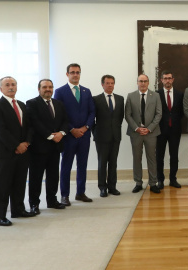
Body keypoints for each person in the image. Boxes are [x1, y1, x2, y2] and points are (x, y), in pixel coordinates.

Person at [0, 76, 35, 226]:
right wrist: (16, 145)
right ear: (0, 88)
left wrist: (26, 143)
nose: (11, 87)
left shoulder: (21, 104)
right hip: (5, 152)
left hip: (23, 151)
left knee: (19, 182)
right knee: (2, 185)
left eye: (13, 84)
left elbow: (28, 126)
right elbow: (0, 130)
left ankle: (18, 210)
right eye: (7, 85)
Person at [54, 63, 96, 206]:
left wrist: (85, 128)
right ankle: (64, 195)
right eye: (72, 72)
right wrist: (72, 129)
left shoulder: (86, 91)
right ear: (67, 74)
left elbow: (92, 112)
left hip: (84, 135)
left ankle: (80, 193)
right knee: (66, 166)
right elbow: (59, 114)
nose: (75, 75)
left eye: (78, 72)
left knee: (82, 165)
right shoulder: (60, 92)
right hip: (68, 136)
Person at [27, 79, 69, 214]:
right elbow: (35, 123)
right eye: (45, 87)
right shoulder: (32, 103)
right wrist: (51, 136)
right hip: (39, 148)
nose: (48, 89)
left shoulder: (58, 104)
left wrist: (61, 133)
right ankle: (34, 204)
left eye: (50, 87)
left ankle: (52, 201)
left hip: (55, 147)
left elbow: (65, 121)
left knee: (53, 176)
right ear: (39, 89)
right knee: (36, 177)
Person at [125, 74, 162, 194]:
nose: (143, 83)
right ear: (137, 82)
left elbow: (158, 114)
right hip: (136, 133)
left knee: (152, 158)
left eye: (145, 81)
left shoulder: (155, 96)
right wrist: (136, 128)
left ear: (148, 82)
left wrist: (149, 128)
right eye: (140, 81)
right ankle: (138, 183)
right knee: (137, 158)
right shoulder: (131, 96)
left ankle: (153, 183)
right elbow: (128, 115)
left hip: (151, 133)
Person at [92, 75, 124, 197]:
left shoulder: (120, 99)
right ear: (102, 84)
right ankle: (102, 187)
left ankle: (112, 187)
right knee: (102, 163)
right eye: (107, 83)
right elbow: (92, 118)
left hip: (115, 136)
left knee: (113, 162)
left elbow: (120, 117)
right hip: (101, 136)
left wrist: (114, 129)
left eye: (112, 83)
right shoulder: (96, 99)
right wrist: (95, 131)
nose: (110, 85)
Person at [156, 70, 183, 189]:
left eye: (169, 78)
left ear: (173, 79)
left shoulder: (179, 94)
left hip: (175, 130)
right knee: (159, 156)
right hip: (160, 130)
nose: (167, 80)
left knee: (174, 156)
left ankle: (173, 179)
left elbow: (182, 112)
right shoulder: (156, 94)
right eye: (165, 78)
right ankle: (160, 180)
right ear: (161, 80)